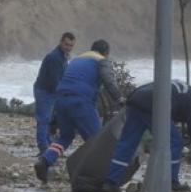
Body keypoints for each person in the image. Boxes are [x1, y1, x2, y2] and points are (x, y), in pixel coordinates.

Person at [100, 80, 191, 192]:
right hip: (154, 106)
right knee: (175, 141)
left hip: (136, 100)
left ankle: (110, 182)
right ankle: (171, 181)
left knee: (127, 143)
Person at [34, 39, 124, 183]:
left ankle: (44, 161)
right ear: (106, 53)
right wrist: (119, 99)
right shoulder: (102, 60)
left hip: (61, 100)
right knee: (97, 140)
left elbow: (68, 81)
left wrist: (54, 119)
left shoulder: (77, 59)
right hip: (81, 101)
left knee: (65, 136)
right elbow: (108, 81)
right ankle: (95, 176)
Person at [33, 32, 75, 154]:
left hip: (51, 91)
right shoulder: (55, 57)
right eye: (66, 44)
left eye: (71, 45)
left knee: (48, 119)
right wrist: (63, 95)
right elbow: (54, 81)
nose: (68, 47)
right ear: (61, 42)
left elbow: (63, 77)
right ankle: (43, 148)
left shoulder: (64, 56)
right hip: (44, 91)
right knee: (44, 119)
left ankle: (48, 144)